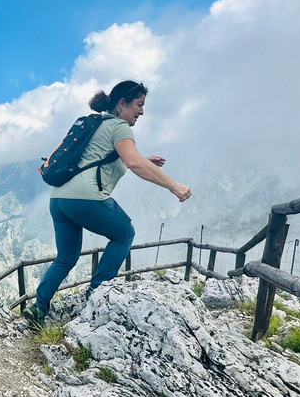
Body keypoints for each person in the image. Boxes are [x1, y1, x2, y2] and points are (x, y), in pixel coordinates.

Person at [26, 81, 192, 325]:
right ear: (122, 104)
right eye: (139, 104)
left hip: (59, 199)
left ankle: (38, 308)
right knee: (124, 234)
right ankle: (98, 292)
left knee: (66, 257)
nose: (142, 111)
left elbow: (102, 158)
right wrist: (174, 186)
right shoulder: (120, 127)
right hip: (85, 198)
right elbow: (134, 163)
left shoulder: (97, 124)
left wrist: (143, 159)